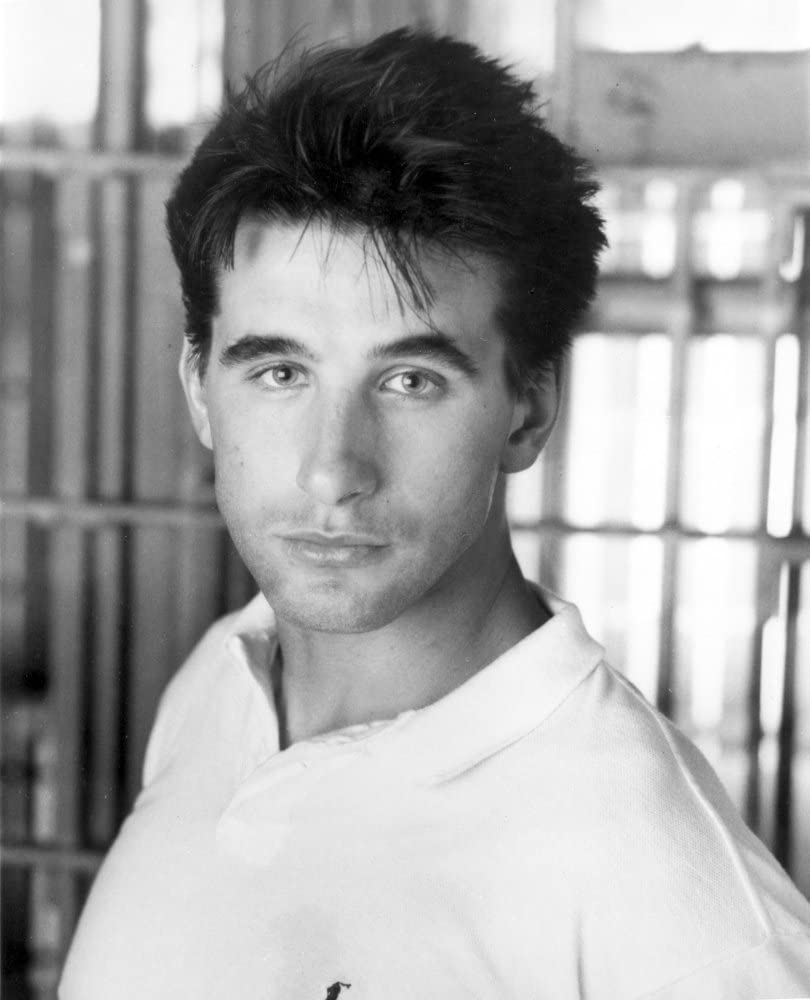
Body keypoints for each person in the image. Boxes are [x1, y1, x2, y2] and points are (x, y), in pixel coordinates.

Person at [59, 27, 810, 1000]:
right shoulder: (220, 682)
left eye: (410, 380)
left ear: (527, 410)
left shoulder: (678, 914)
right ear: (200, 388)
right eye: (280, 372)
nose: (333, 470)